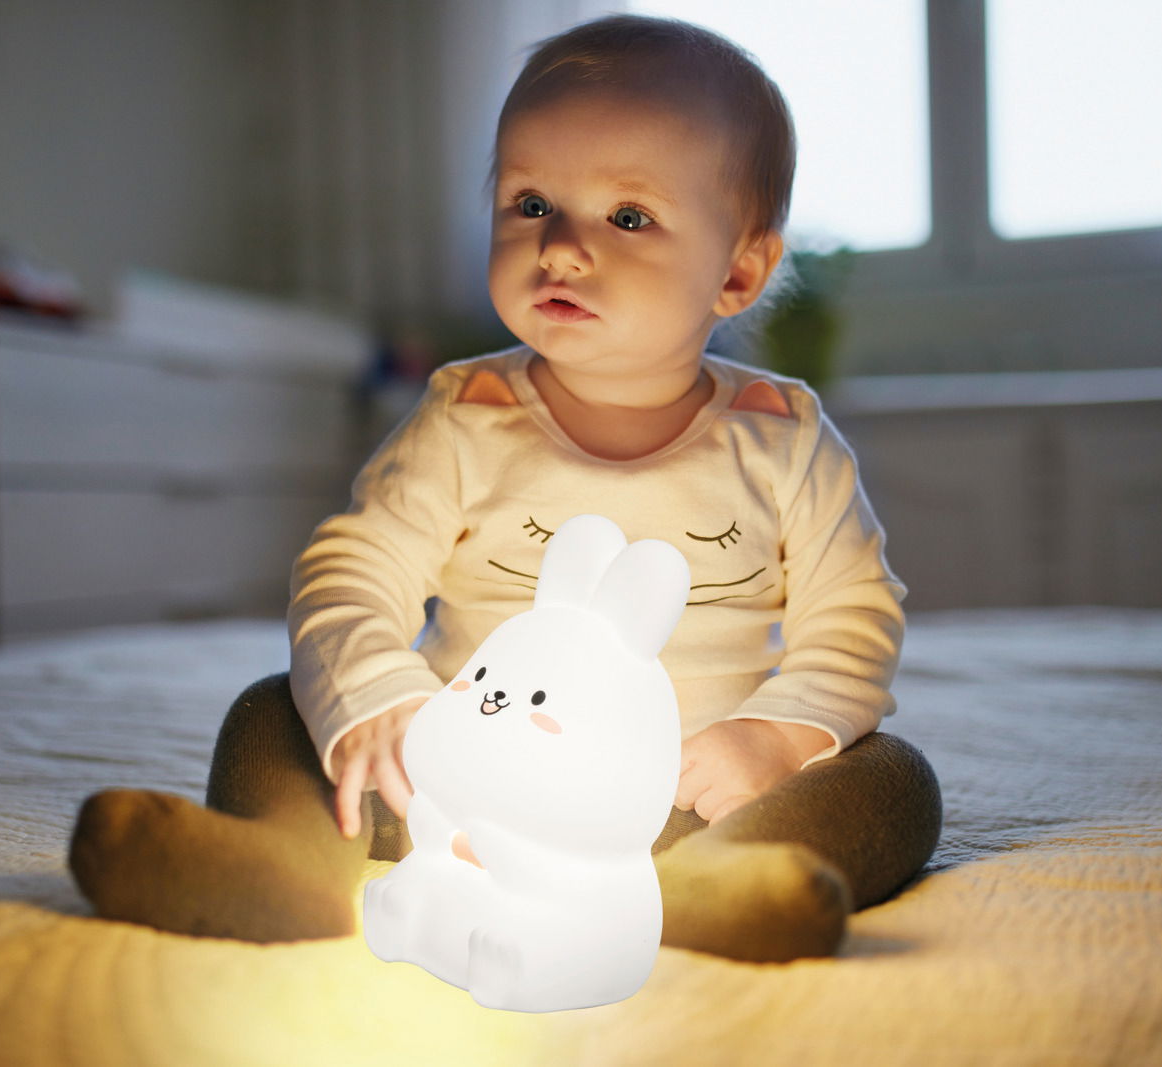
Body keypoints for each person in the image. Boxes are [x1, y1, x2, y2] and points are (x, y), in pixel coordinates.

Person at [70, 13, 940, 964]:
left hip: (683, 809)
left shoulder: (782, 435)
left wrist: (774, 738)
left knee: (889, 777)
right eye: (531, 203)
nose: (561, 246)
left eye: (629, 217)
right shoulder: (467, 414)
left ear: (738, 270)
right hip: (453, 796)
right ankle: (284, 870)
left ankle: (716, 891)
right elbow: (350, 570)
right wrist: (380, 698)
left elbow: (854, 614)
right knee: (276, 707)